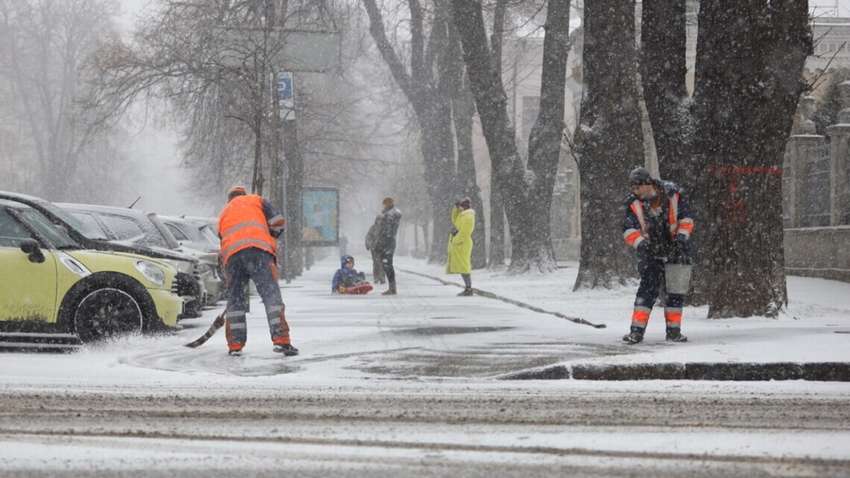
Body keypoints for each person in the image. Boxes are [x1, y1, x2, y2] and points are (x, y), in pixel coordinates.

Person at [218, 186, 299, 356]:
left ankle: (235, 344)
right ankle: (281, 340)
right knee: (271, 296)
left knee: (235, 301)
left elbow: (222, 238)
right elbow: (278, 222)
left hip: (233, 258)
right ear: (244, 195)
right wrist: (270, 235)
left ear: (229, 199)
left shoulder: (224, 212)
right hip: (259, 252)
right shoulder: (257, 200)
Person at [622, 167, 694, 344]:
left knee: (675, 293)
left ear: (648, 184)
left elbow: (686, 218)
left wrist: (682, 238)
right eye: (632, 188)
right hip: (650, 253)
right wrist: (641, 243)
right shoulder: (633, 203)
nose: (634, 192)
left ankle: (674, 332)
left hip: (676, 250)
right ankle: (636, 332)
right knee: (647, 292)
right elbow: (629, 229)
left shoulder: (673, 194)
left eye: (637, 188)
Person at [447, 197, 475, 296]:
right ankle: (468, 288)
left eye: (460, 207)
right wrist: (455, 208)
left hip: (462, 244)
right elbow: (454, 219)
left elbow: (465, 232)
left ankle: (468, 288)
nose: (459, 208)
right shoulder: (463, 215)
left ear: (463, 207)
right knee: (463, 267)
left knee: (464, 267)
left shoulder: (468, 217)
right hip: (460, 243)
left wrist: (455, 239)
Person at [375, 197, 402, 295]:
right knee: (386, 265)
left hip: (388, 243)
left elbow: (387, 231)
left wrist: (382, 242)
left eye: (385, 204)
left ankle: (392, 288)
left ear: (388, 204)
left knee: (387, 265)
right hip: (387, 242)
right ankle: (392, 287)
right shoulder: (388, 214)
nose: (384, 206)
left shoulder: (390, 215)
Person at [365, 214, 386, 284]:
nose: (379, 221)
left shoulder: (385, 228)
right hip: (375, 248)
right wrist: (369, 244)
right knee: (376, 263)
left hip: (383, 249)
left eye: (381, 220)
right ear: (376, 220)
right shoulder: (373, 228)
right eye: (378, 220)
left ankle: (382, 277)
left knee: (382, 263)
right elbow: (368, 236)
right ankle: (376, 277)